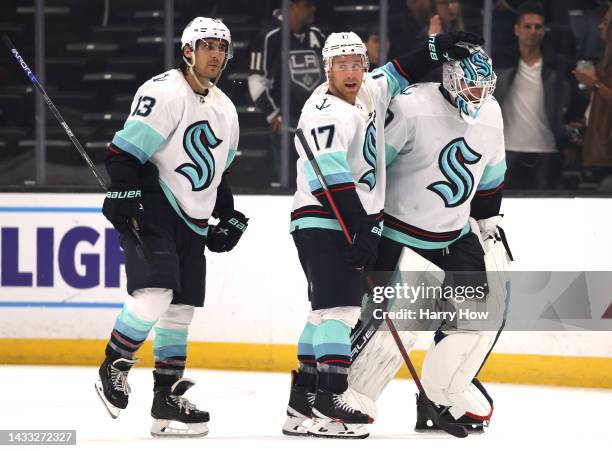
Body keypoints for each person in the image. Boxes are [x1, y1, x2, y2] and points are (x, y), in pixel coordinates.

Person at [283, 30, 484, 439]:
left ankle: (301, 403)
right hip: (325, 219)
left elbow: (402, 68)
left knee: (322, 312)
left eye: (356, 63)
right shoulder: (324, 110)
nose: (350, 72)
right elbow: (333, 180)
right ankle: (332, 398)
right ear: (328, 69)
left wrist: (438, 46)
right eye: (341, 65)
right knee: (339, 312)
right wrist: (361, 229)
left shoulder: (371, 90)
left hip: (342, 219)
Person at [94, 17, 248, 438]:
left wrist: (227, 214)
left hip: (193, 219)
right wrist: (123, 190)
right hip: (155, 206)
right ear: (188, 52)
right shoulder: (163, 91)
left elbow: (217, 172)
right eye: (207, 46)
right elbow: (123, 153)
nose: (216, 54)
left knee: (179, 313)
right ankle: (114, 364)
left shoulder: (225, 108)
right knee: (155, 296)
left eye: (222, 46)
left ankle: (166, 399)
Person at [346, 44, 511, 434]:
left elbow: (489, 180)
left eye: (484, 87)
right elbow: (372, 164)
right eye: (471, 86)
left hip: (454, 234)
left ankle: (439, 396)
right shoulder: (410, 105)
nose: (478, 95)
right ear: (451, 78)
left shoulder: (491, 112)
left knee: (478, 318)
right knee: (399, 324)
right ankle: (347, 396)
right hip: (400, 234)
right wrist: (364, 221)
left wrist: (489, 223)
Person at [495, 2, 578, 190]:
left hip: (547, 150)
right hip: (507, 150)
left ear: (544, 31)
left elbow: (572, 104)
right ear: (516, 29)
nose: (532, 31)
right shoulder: (501, 66)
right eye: (527, 26)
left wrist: (567, 137)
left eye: (538, 26)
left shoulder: (557, 68)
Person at [248, 0, 326, 187]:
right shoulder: (270, 37)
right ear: (291, 6)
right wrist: (273, 114)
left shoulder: (317, 35)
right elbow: (256, 80)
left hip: (316, 126)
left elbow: (328, 75)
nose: (313, 8)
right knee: (291, 185)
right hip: (285, 129)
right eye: (308, 4)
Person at [573, 4, 612, 186]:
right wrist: (585, 122)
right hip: (596, 149)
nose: (599, 26)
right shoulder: (604, 61)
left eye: (605, 22)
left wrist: (593, 83)